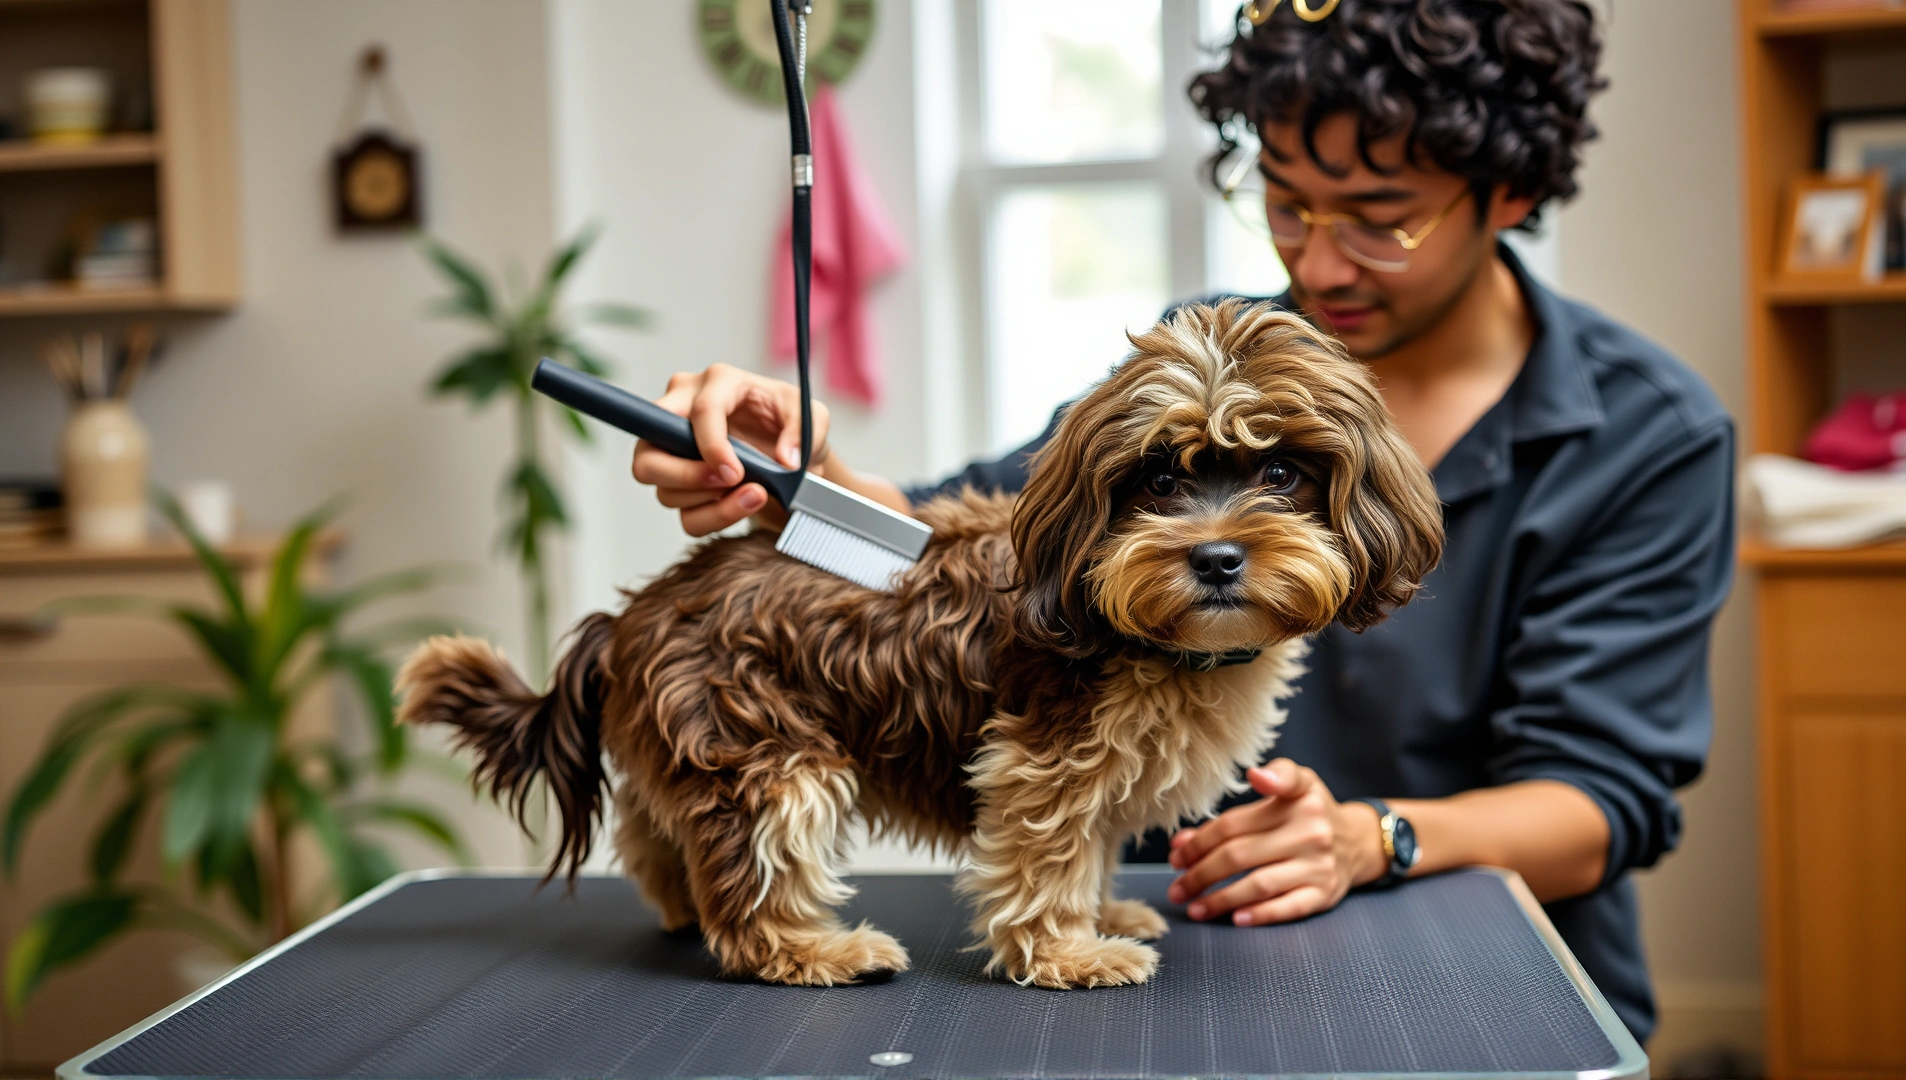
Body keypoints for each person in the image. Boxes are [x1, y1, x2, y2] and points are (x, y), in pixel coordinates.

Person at [630, 0, 1732, 1044]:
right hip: (1187, 981)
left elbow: (1604, 797)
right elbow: (986, 536)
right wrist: (805, 474)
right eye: (1288, 200)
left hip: (1490, 981)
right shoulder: (1202, 358)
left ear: (1509, 191)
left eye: (1384, 220)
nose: (1318, 260)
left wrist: (1370, 837)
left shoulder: (1649, 433)